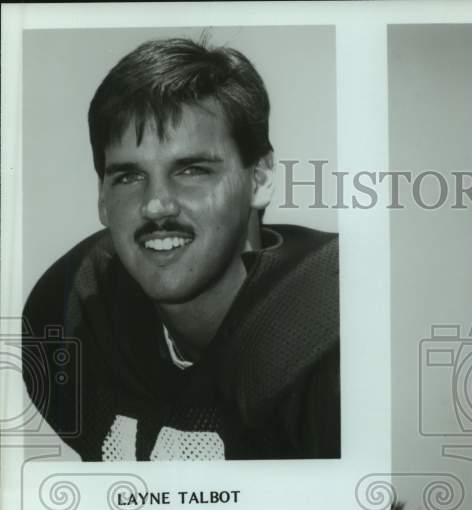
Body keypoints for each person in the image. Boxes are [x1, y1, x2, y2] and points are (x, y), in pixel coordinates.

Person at [22, 38, 340, 461]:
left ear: (260, 179)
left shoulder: (332, 324)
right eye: (129, 177)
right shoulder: (71, 309)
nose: (156, 205)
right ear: (102, 197)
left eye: (192, 170)